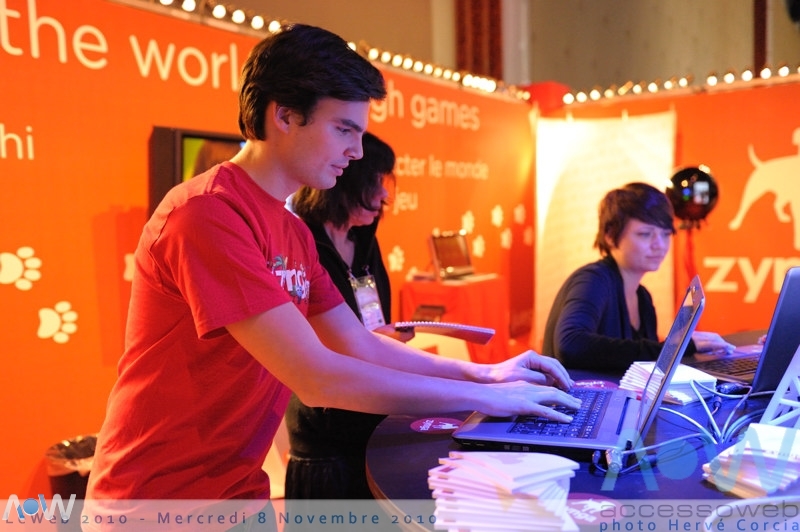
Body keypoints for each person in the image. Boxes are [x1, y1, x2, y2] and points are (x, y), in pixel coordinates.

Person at [84, 23, 579, 529]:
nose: (357, 152)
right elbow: (317, 377)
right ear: (284, 115)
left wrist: (485, 374)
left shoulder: (293, 231)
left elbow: (359, 345)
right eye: (344, 129)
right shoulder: (208, 214)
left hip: (236, 492)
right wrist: (487, 399)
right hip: (153, 502)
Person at [283, 131, 398, 500]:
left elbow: (366, 331)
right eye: (374, 180)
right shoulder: (300, 242)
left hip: (371, 411)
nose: (383, 195)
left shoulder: (364, 241)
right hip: (325, 429)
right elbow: (308, 347)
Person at [542, 182, 733, 372]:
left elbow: (644, 367)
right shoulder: (592, 280)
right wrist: (672, 348)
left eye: (666, 234)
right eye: (645, 234)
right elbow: (570, 344)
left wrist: (674, 349)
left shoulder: (643, 298)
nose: (659, 245)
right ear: (610, 236)